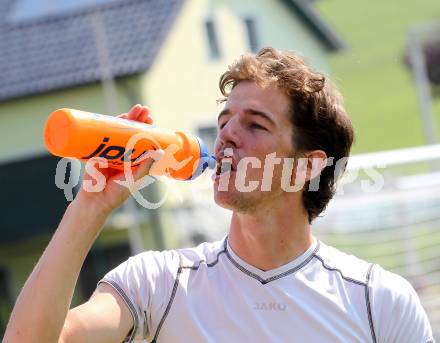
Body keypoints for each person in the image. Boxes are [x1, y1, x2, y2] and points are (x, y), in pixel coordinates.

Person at [4, 47, 434, 343]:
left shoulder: (380, 301)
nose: (226, 135)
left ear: (308, 165)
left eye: (255, 124)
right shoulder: (159, 283)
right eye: (225, 120)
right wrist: (90, 204)